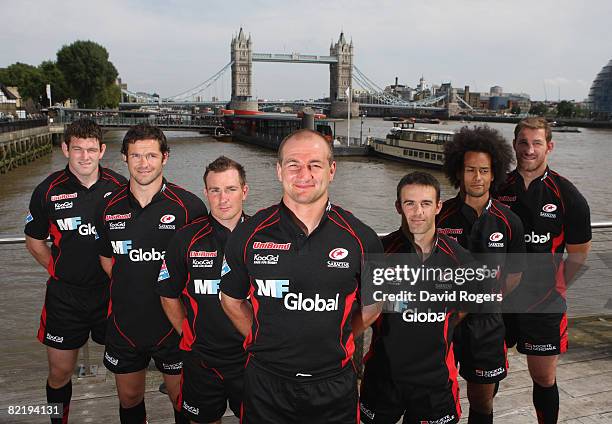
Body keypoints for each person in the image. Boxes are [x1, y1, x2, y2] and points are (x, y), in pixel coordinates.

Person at [220, 129, 382, 424]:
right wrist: (264, 340)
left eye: (314, 165)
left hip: (334, 383)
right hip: (266, 382)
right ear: (279, 170)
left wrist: (340, 337)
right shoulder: (247, 234)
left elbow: (374, 306)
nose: (303, 174)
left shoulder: (363, 238)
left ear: (331, 170)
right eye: (293, 164)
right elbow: (230, 300)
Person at [95, 124, 207, 424]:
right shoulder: (107, 206)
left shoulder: (190, 207)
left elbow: (201, 265)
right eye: (135, 156)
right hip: (125, 323)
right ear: (124, 158)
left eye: (151, 156)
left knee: (182, 400)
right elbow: (107, 259)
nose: (143, 164)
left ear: (165, 158)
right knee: (129, 399)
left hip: (174, 325)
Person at [24, 118, 127, 423]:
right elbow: (34, 240)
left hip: (111, 295)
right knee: (59, 373)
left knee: (127, 370)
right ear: (65, 149)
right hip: (65, 298)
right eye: (78, 149)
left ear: (102, 151)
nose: (85, 156)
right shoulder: (47, 190)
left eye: (91, 149)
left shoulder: (120, 188)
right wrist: (59, 269)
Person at [495, 117, 591, 424]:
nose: (529, 149)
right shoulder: (498, 189)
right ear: (514, 146)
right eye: (523, 142)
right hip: (500, 302)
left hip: (544, 303)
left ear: (549, 146)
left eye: (537, 143)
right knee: (487, 374)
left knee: (544, 379)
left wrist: (554, 287)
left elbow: (578, 256)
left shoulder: (568, 195)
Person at [360, 172, 472, 424]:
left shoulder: (460, 258)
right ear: (398, 206)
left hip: (435, 382)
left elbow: (466, 306)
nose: (418, 212)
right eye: (410, 203)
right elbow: (364, 309)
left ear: (438, 207)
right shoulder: (379, 253)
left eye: (426, 203)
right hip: (383, 378)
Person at [437, 126, 526, 424]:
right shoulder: (438, 217)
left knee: (482, 402)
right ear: (458, 172)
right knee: (434, 399)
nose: (477, 177)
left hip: (486, 324)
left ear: (494, 174)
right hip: (442, 322)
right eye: (470, 170)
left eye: (484, 171)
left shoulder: (509, 222)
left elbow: (514, 276)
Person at [157, 156, 250, 423]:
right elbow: (167, 293)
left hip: (251, 359)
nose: (223, 199)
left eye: (231, 189)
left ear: (244, 191)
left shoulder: (263, 238)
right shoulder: (185, 238)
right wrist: (188, 333)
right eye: (215, 190)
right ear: (205, 193)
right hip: (202, 359)